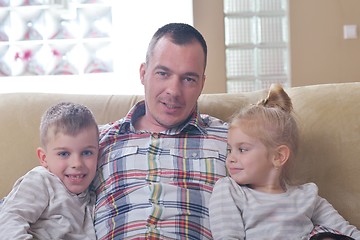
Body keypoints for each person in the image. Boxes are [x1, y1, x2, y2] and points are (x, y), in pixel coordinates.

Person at [92, 23, 228, 239]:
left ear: (202, 84)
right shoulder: (95, 141)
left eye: (188, 79)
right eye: (163, 73)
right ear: (143, 73)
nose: (173, 91)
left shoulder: (231, 140)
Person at [208, 84, 360, 240]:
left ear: (278, 157)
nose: (231, 158)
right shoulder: (230, 190)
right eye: (229, 149)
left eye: (243, 149)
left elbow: (346, 231)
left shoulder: (307, 196)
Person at [0, 102, 99, 239]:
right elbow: (8, 221)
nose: (77, 163)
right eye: (64, 154)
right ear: (44, 158)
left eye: (87, 153)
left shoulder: (94, 197)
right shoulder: (41, 180)